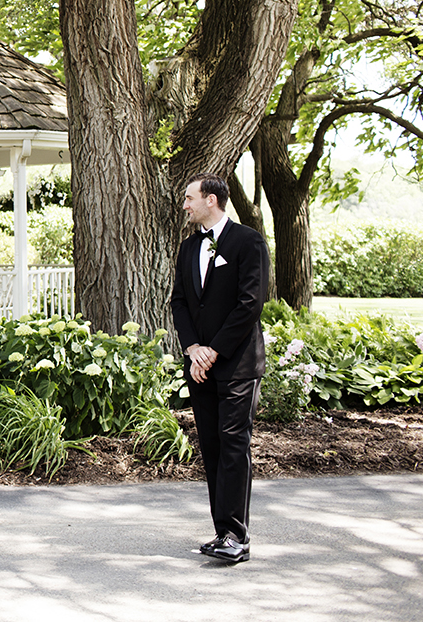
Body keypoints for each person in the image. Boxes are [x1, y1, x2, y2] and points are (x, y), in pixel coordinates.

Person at [170, 173, 268, 564]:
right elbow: (180, 301)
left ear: (211, 200)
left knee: (233, 444)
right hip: (200, 365)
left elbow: (250, 304)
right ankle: (222, 531)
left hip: (238, 363)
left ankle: (237, 536)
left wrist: (214, 350)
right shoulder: (187, 247)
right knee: (210, 445)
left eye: (189, 197)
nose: (185, 205)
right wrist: (193, 348)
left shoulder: (248, 241)